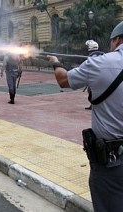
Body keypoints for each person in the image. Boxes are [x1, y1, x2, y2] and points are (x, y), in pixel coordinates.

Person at [47, 21, 123, 212]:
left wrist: (56, 62)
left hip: (113, 162)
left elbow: (63, 80)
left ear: (116, 39)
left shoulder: (100, 64)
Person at [84, 40, 104, 110]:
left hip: (95, 76)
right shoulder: (102, 54)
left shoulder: (91, 56)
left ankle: (94, 104)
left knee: (91, 90)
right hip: (103, 75)